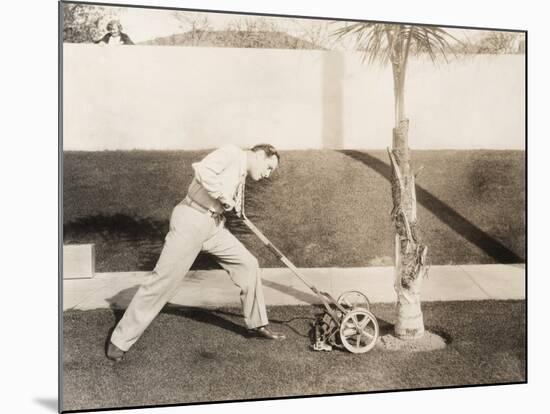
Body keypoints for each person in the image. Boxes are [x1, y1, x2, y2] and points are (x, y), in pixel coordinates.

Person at [107, 144, 284, 362]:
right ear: (258, 155)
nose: (267, 175)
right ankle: (120, 340)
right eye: (268, 168)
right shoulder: (231, 153)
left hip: (214, 227)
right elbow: (202, 170)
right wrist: (223, 197)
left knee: (248, 263)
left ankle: (257, 324)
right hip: (191, 220)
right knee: (163, 281)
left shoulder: (242, 172)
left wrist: (231, 204)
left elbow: (226, 197)